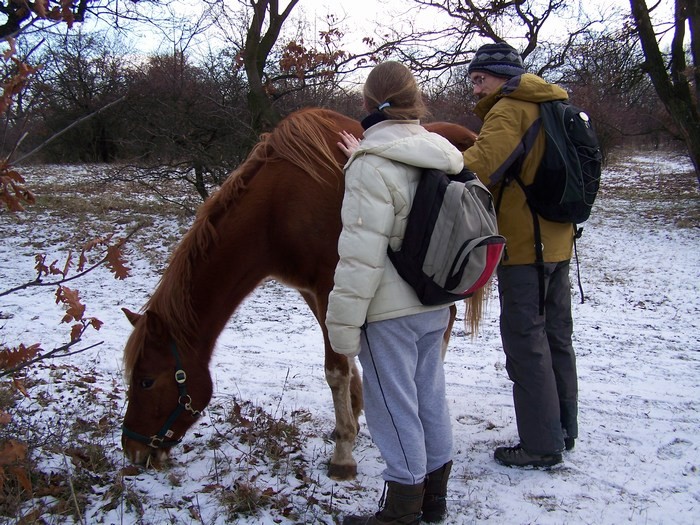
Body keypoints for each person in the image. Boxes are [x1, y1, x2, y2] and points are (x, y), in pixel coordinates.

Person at [326, 61, 463, 524]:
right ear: (415, 101)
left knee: (391, 407)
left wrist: (341, 330)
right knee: (429, 398)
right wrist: (360, 157)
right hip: (435, 301)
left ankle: (402, 510)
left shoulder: (370, 165)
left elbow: (361, 257)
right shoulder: (439, 150)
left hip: (389, 313)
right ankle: (435, 500)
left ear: (367, 104)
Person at [462, 42, 579, 468]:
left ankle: (540, 445)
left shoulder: (511, 107)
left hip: (525, 249)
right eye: (472, 80)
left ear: (501, 76)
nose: (475, 89)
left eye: (480, 79)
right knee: (555, 338)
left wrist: (429, 160)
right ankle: (563, 429)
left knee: (526, 342)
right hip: (558, 243)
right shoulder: (551, 103)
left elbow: (479, 164)